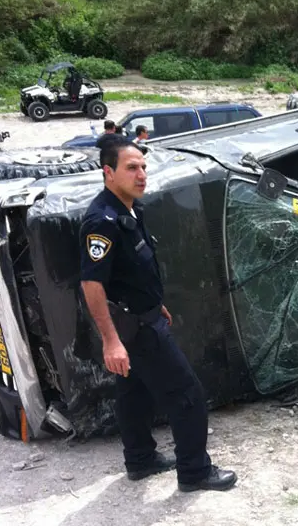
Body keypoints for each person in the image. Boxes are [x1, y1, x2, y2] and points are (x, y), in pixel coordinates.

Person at [79, 138, 236, 492]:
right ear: (108, 172)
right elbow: (92, 285)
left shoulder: (130, 209)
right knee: (188, 396)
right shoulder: (102, 221)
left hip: (142, 316)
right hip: (136, 330)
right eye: (131, 168)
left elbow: (131, 271)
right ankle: (195, 472)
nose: (141, 175)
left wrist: (155, 302)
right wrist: (111, 342)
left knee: (133, 394)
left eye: (144, 167)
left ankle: (140, 460)